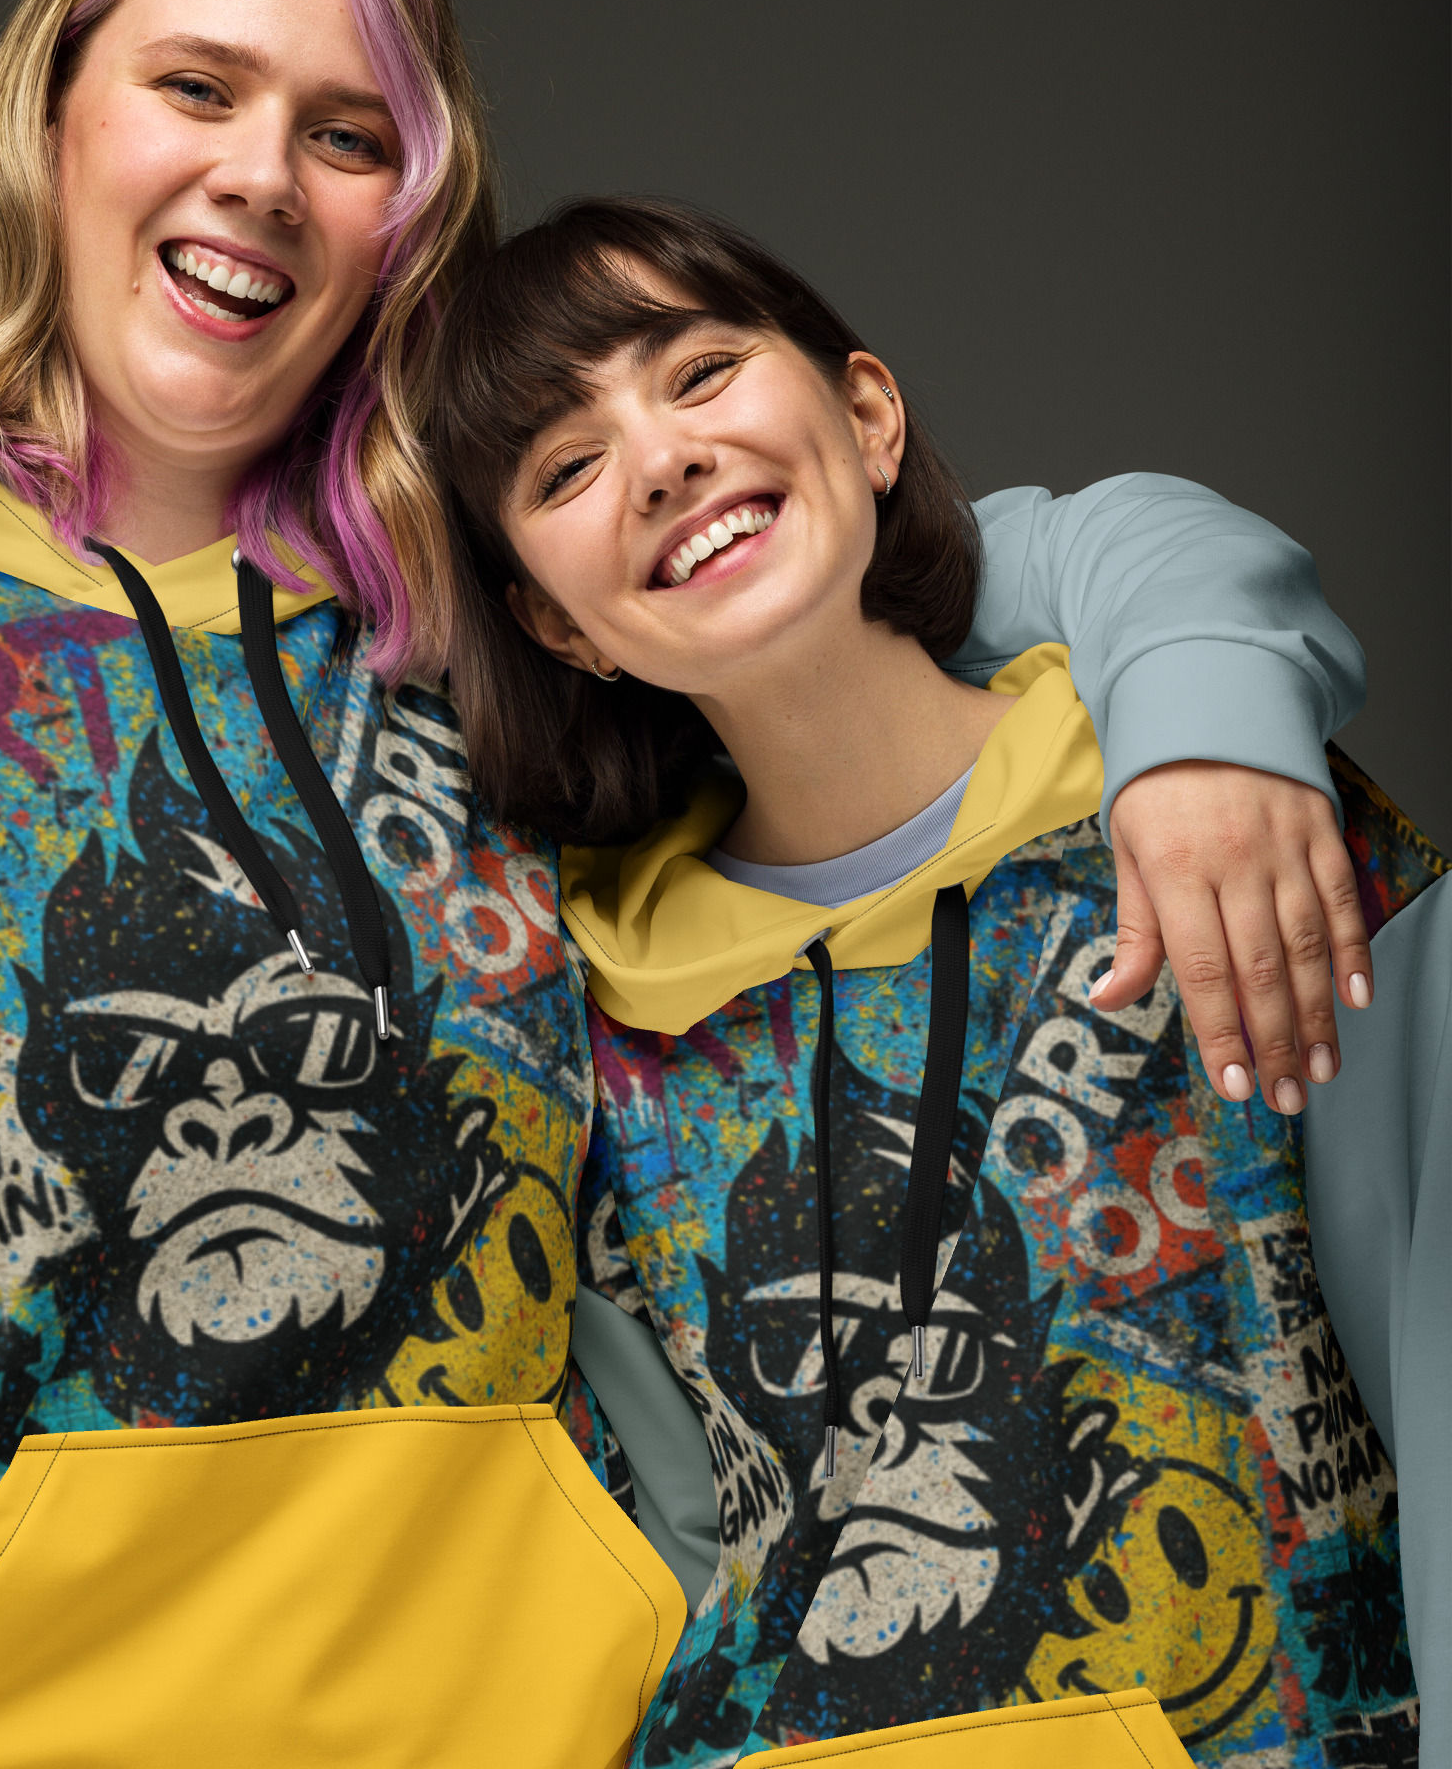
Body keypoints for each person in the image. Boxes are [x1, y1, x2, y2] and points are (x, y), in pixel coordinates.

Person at [0, 0, 1386, 1768]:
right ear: (49, 122)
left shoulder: (488, 645)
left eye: (349, 133)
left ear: (409, 223)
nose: (260, 175)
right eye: (196, 88)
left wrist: (1209, 708)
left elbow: (914, 575)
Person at [424, 197, 1440, 1768]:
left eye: (697, 375)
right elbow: (683, 1556)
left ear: (868, 415)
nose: (661, 460)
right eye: (565, 470)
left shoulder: (1223, 813)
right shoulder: (600, 1031)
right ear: (562, 625)